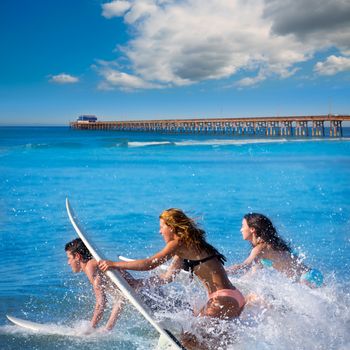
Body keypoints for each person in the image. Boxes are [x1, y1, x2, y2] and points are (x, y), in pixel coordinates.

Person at [99, 208, 245, 348]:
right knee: (213, 342)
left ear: (172, 227)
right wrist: (139, 283)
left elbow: (150, 263)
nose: (160, 231)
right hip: (232, 297)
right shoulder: (188, 245)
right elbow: (168, 277)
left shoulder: (178, 243)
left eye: (162, 227)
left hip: (223, 299)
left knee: (189, 339)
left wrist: (114, 264)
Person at [226, 213, 323, 288]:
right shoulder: (268, 246)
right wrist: (236, 284)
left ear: (252, 229)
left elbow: (245, 266)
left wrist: (221, 272)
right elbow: (251, 274)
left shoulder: (260, 248)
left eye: (243, 226)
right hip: (312, 275)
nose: (241, 230)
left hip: (305, 278)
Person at [65, 238, 127, 331]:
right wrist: (108, 328)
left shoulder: (90, 267)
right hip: (134, 291)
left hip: (137, 291)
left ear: (77, 256)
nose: (68, 263)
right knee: (121, 296)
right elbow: (121, 297)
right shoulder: (93, 264)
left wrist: (90, 329)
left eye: (69, 258)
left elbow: (101, 302)